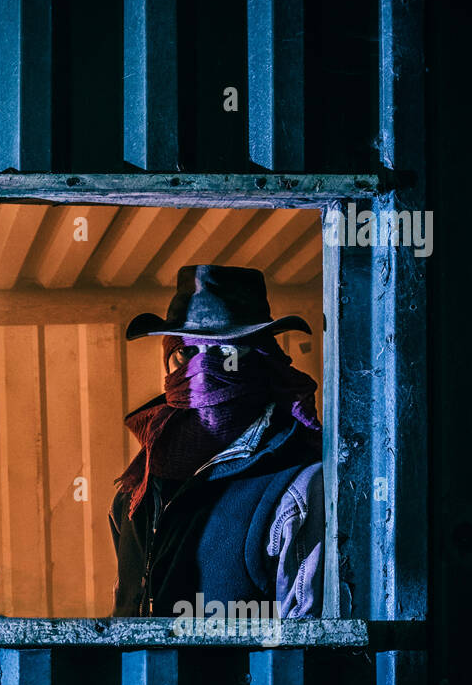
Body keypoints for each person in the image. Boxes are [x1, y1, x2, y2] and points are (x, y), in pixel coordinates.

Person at [110, 265, 325, 619]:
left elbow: (304, 649)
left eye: (226, 355)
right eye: (187, 353)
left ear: (259, 359)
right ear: (168, 360)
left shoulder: (296, 488)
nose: (203, 369)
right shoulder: (138, 489)